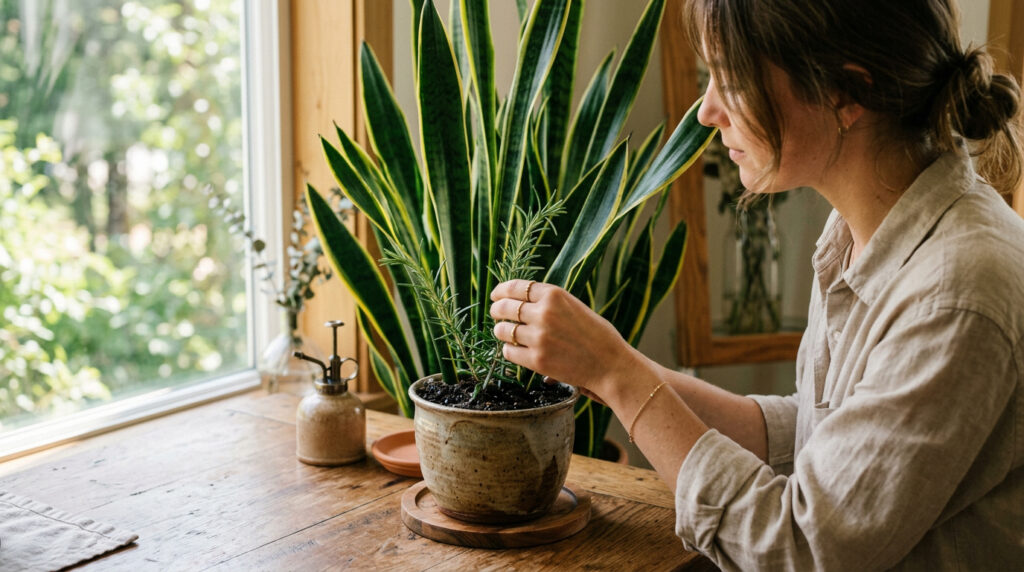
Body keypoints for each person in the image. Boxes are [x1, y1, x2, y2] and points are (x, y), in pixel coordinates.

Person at [490, 0, 1024, 569]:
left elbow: (802, 546)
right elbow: (818, 433)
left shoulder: (957, 292)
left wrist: (618, 377)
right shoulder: (861, 227)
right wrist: (614, 366)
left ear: (845, 93)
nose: (707, 110)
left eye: (732, 78)